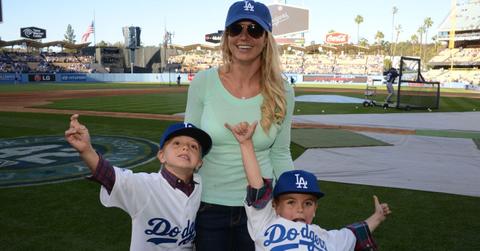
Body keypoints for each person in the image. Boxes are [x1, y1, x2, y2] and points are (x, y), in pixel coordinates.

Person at [184, 1, 295, 250]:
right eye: (236, 29)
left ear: (266, 38)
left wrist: (291, 200)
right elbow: (189, 144)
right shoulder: (203, 82)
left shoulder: (283, 91)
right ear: (226, 37)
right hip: (208, 205)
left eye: (254, 29)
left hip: (262, 207)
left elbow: (280, 152)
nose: (244, 36)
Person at [226, 121, 392, 251]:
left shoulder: (324, 236)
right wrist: (246, 145)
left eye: (308, 203)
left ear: (315, 209)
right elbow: (257, 187)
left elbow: (354, 234)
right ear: (275, 206)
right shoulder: (266, 223)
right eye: (291, 202)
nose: (300, 209)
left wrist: (377, 217)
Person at [65, 114, 212, 251]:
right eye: (177, 143)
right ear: (161, 156)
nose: (185, 147)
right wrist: (87, 150)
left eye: (193, 146)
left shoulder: (198, 186)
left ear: (199, 163)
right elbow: (109, 176)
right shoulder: (144, 185)